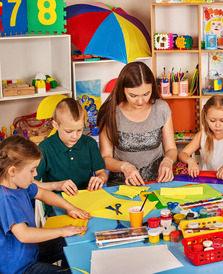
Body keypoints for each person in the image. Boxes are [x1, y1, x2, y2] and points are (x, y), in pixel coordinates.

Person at [0, 135, 89, 274]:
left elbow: (42, 194)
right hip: (20, 268)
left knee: (71, 239)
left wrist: (70, 207)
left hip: (31, 252)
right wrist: (61, 230)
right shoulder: (6, 198)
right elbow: (24, 234)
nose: (35, 174)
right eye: (32, 170)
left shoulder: (20, 185)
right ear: (12, 171)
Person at [97, 61, 177, 185]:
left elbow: (171, 149)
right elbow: (105, 158)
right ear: (122, 89)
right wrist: (125, 167)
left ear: (152, 88)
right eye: (133, 95)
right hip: (121, 185)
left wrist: (168, 161)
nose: (140, 101)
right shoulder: (110, 112)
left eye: (146, 94)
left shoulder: (161, 108)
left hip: (157, 182)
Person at [34, 98, 107, 196]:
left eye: (79, 130)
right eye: (69, 131)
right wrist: (56, 185)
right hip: (57, 202)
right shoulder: (45, 148)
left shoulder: (90, 143)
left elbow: (101, 173)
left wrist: (100, 178)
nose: (75, 136)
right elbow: (30, 183)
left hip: (87, 198)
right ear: (55, 125)